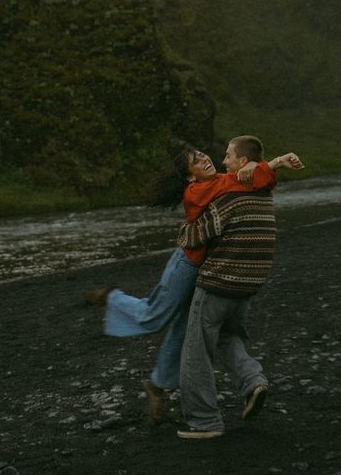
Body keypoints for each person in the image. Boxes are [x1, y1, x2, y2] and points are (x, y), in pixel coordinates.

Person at [86, 138, 303, 422]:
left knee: (184, 327)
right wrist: (268, 164)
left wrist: (260, 167)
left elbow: (257, 181)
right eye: (197, 161)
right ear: (191, 175)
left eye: (203, 155)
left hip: (208, 269)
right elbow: (239, 182)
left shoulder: (223, 179)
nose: (205, 160)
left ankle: (157, 384)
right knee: (155, 317)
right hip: (187, 264)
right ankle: (113, 298)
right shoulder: (196, 191)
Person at [175, 135, 303, 439]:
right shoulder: (258, 191)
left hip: (220, 279)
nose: (222, 161)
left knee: (196, 349)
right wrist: (269, 165)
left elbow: (193, 238)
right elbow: (246, 179)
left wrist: (183, 233)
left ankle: (204, 421)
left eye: (229, 156)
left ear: (241, 162)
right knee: (226, 336)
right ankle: (253, 381)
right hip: (249, 283)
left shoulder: (225, 195)